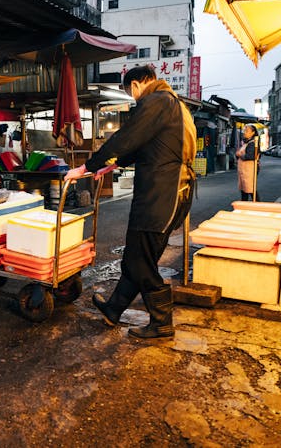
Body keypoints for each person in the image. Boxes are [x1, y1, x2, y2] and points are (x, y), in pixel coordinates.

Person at [64, 65, 196, 339]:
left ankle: (161, 323)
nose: (133, 96)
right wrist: (110, 166)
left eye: (130, 91)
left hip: (160, 195)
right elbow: (146, 146)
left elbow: (126, 138)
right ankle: (114, 309)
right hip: (168, 192)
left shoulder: (156, 100)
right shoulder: (171, 103)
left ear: (136, 84)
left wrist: (87, 166)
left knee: (141, 263)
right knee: (138, 258)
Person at [235, 124, 261, 201]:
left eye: (247, 131)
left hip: (250, 170)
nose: (244, 132)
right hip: (244, 170)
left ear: (253, 133)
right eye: (244, 131)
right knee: (244, 190)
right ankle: (244, 205)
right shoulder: (246, 142)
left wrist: (239, 155)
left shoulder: (252, 143)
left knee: (251, 189)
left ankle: (257, 206)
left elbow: (250, 156)